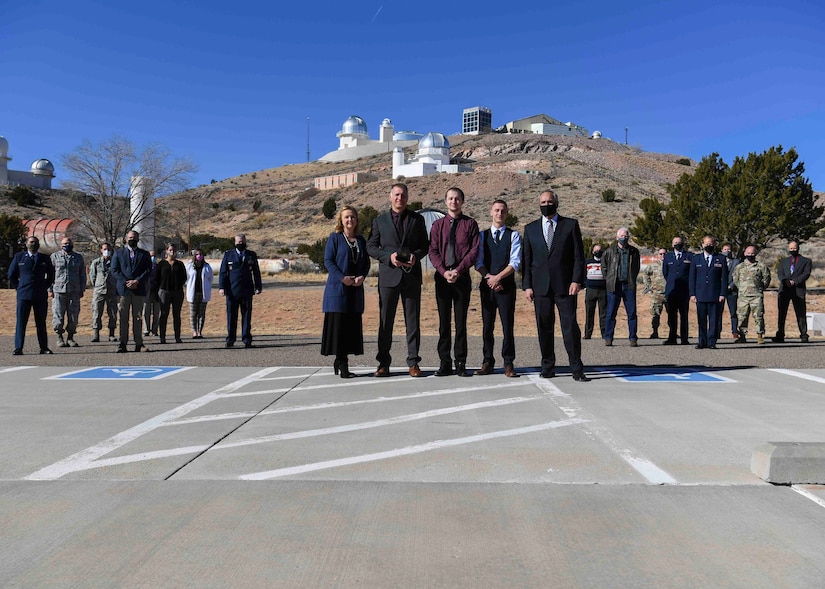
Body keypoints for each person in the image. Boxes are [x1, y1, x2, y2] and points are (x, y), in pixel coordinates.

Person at [522, 190, 590, 381]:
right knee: (544, 327)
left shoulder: (570, 225)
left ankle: (576, 368)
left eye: (549, 201)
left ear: (556, 203)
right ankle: (548, 366)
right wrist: (527, 285)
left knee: (570, 328)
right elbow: (527, 260)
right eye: (543, 202)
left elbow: (579, 256)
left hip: (566, 286)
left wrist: (577, 280)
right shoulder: (530, 229)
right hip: (540, 287)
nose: (546, 204)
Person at [366, 183, 429, 377]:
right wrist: (388, 257)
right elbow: (371, 246)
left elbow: (424, 246)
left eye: (403, 195)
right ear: (390, 196)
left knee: (413, 322)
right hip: (388, 278)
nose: (399, 198)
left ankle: (413, 362)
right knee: (386, 322)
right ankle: (383, 363)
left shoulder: (417, 219)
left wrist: (415, 257)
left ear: (407, 197)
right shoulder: (379, 221)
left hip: (411, 277)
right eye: (396, 195)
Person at [429, 187, 480, 377]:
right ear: (445, 201)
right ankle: (444, 362)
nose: (454, 202)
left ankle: (460, 362)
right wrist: (444, 272)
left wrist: (458, 270)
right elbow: (433, 251)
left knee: (460, 323)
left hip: (462, 279)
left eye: (457, 199)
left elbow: (474, 251)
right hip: (442, 280)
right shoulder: (437, 226)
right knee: (444, 323)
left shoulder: (470, 224)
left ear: (462, 202)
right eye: (450, 198)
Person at [321, 206, 370, 378]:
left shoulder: (361, 240)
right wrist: (342, 278)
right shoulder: (335, 238)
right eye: (346, 217)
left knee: (350, 329)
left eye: (353, 217)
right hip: (338, 290)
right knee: (339, 329)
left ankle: (341, 361)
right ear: (341, 220)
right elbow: (328, 261)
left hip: (355, 291)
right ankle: (342, 364)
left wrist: (362, 277)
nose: (350, 220)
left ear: (357, 220)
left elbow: (366, 263)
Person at [474, 199, 521, 377]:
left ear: (507, 213)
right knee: (487, 326)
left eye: (503, 211)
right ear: (491, 212)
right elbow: (478, 262)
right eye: (496, 210)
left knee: (507, 326)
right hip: (487, 287)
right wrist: (489, 279)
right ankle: (487, 361)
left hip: (506, 287)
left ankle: (508, 362)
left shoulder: (514, 235)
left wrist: (499, 278)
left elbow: (515, 262)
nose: (499, 213)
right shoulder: (482, 236)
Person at [9, 236, 55, 355]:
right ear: (26, 244)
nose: (33, 244)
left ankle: (44, 347)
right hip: (24, 295)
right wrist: (19, 287)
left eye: (35, 242)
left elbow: (51, 275)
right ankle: (18, 348)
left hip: (40, 295)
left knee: (41, 322)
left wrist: (44, 286)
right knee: (21, 322)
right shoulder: (19, 257)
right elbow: (11, 275)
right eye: (31, 242)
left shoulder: (44, 258)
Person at [110, 230, 153, 352]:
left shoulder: (144, 255)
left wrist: (137, 281)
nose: (132, 239)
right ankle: (122, 343)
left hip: (138, 290)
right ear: (126, 239)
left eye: (134, 238)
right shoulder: (118, 253)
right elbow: (114, 270)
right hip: (123, 291)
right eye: (130, 237)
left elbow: (148, 270)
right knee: (123, 318)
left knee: (138, 317)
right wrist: (126, 281)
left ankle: (139, 343)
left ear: (138, 239)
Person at [218, 234, 262, 348]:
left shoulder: (251, 255)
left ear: (245, 242)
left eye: (242, 242)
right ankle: (230, 339)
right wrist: (221, 287)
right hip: (232, 291)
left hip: (247, 290)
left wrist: (258, 287)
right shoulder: (228, 255)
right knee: (231, 316)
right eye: (238, 242)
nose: (240, 244)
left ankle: (247, 339)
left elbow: (256, 272)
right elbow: (223, 272)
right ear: (235, 243)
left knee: (247, 316)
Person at [601, 227, 640, 347]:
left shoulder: (634, 251)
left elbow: (636, 267)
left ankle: (633, 338)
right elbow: (604, 267)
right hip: (614, 286)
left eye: (626, 236)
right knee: (611, 313)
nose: (625, 238)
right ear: (617, 237)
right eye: (622, 236)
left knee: (632, 313)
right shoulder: (609, 251)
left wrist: (632, 278)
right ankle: (608, 337)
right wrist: (609, 279)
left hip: (629, 285)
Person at [689, 235, 728, 349]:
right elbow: (692, 277)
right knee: (701, 320)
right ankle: (702, 341)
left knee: (714, 320)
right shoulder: (696, 259)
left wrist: (722, 293)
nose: (708, 246)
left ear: (714, 245)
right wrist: (692, 293)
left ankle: (711, 342)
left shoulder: (720, 258)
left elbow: (724, 278)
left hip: (714, 295)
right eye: (706, 244)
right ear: (702, 245)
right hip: (700, 295)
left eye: (711, 244)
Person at [772, 241, 812, 343]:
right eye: (791, 248)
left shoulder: (806, 261)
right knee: (782, 313)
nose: (792, 250)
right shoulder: (784, 261)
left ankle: (803, 334)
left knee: (801, 313)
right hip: (785, 289)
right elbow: (780, 273)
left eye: (794, 248)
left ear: (798, 248)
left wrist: (795, 281)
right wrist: (786, 281)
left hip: (798, 290)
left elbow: (806, 274)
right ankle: (780, 334)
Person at [49, 237, 85, 347]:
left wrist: (82, 289)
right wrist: (49, 289)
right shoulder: (54, 257)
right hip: (59, 291)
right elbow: (49, 274)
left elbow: (82, 274)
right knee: (58, 316)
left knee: (73, 317)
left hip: (74, 291)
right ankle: (59, 337)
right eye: (65, 243)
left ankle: (70, 337)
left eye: (69, 243)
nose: (67, 245)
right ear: (61, 245)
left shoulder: (78, 258)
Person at [733, 245, 771, 345]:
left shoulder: (761, 267)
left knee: (758, 316)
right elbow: (735, 280)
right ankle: (742, 335)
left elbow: (766, 280)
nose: (750, 255)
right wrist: (742, 289)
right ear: (745, 254)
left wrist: (759, 288)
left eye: (752, 253)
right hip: (743, 297)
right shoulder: (739, 267)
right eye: (748, 253)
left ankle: (760, 335)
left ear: (756, 254)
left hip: (756, 296)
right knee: (742, 317)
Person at [153, 243, 187, 344]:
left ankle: (177, 337)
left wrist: (178, 285)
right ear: (166, 251)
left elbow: (184, 277)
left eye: (174, 250)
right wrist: (157, 292)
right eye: (170, 250)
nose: (172, 252)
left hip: (177, 292)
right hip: (164, 291)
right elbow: (156, 279)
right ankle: (162, 337)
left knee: (176, 315)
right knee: (163, 314)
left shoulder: (179, 264)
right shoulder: (161, 264)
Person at [662, 235, 692, 345]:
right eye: (675, 242)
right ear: (672, 244)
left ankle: (684, 338)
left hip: (684, 291)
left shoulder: (689, 256)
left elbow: (691, 273)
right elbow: (665, 273)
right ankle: (672, 338)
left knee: (684, 315)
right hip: (672, 291)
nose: (677, 244)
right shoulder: (668, 257)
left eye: (679, 242)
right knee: (671, 316)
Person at [88, 242, 118, 342]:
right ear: (101, 250)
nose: (107, 251)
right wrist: (98, 285)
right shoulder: (96, 262)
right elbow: (92, 276)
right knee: (96, 312)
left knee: (113, 313)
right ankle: (96, 335)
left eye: (108, 249)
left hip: (112, 291)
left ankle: (112, 334)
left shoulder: (115, 262)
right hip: (99, 291)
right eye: (105, 249)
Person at [186, 249, 213, 339]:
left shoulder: (207, 266)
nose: (199, 256)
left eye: (201, 254)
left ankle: (200, 331)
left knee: (201, 313)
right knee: (193, 313)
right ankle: (194, 331)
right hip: (193, 292)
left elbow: (210, 278)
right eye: (197, 254)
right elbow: (187, 278)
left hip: (203, 293)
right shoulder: (190, 266)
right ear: (194, 255)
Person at [583, 243, 607, 340]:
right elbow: (583, 274)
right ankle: (588, 334)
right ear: (592, 251)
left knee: (603, 313)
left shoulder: (606, 262)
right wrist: (584, 285)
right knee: (589, 312)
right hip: (590, 290)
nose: (598, 252)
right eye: (596, 250)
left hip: (603, 291)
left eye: (599, 250)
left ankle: (605, 334)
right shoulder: (588, 262)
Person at [717, 243, 739, 340]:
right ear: (721, 250)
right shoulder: (718, 261)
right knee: (718, 312)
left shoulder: (736, 262)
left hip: (732, 290)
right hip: (720, 290)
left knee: (733, 312)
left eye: (729, 249)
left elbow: (738, 276)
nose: (727, 251)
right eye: (725, 249)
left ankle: (735, 331)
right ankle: (717, 331)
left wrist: (731, 286)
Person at [643, 248, 667, 339]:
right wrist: (648, 286)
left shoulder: (671, 264)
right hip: (657, 294)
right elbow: (645, 274)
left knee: (672, 315)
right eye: (660, 254)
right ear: (658, 255)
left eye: (664, 254)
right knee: (655, 314)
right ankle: (655, 332)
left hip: (670, 293)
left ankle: (673, 332)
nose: (662, 256)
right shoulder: (653, 265)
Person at [143, 249, 160, 337]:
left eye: (154, 256)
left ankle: (155, 330)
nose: (152, 258)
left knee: (156, 312)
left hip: (156, 292)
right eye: (151, 256)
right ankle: (146, 329)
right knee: (146, 311)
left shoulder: (158, 267)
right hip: (147, 292)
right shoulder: (144, 267)